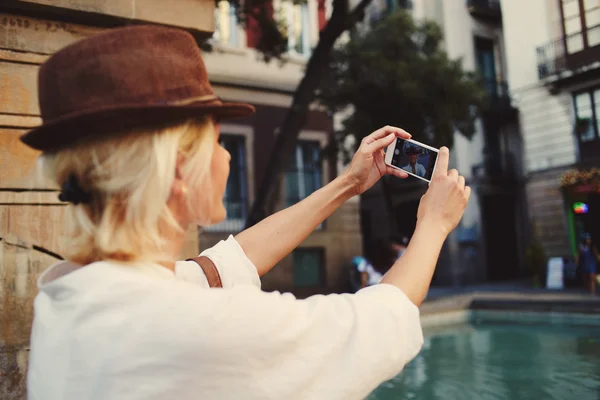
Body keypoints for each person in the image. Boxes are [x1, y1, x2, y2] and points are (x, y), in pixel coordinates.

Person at [24, 25, 471, 400]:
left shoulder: (69, 294)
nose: (227, 157)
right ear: (179, 168)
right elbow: (379, 321)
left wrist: (349, 183)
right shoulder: (195, 330)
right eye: (217, 141)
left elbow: (223, 265)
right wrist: (434, 224)